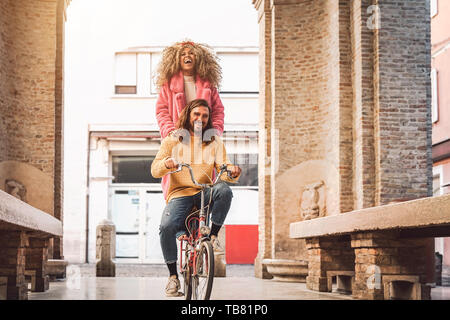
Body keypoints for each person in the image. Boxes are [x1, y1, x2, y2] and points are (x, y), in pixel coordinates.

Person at [151, 99, 241, 297]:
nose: (200, 119)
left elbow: (223, 169)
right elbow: (155, 170)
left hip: (205, 191)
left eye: (205, 116)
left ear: (209, 119)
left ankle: (213, 235)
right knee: (166, 226)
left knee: (224, 190)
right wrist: (167, 164)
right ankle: (173, 277)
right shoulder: (173, 139)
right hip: (180, 194)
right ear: (188, 115)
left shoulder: (214, 140)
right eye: (196, 114)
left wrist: (232, 171)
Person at [154, 40, 225, 201]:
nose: (187, 56)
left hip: (203, 137)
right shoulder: (168, 86)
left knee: (205, 178)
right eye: (183, 54)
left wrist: (215, 131)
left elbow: (218, 111)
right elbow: (162, 111)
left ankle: (203, 218)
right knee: (176, 175)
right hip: (179, 138)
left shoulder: (208, 85)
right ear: (176, 59)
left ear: (198, 58)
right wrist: (171, 132)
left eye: (191, 53)